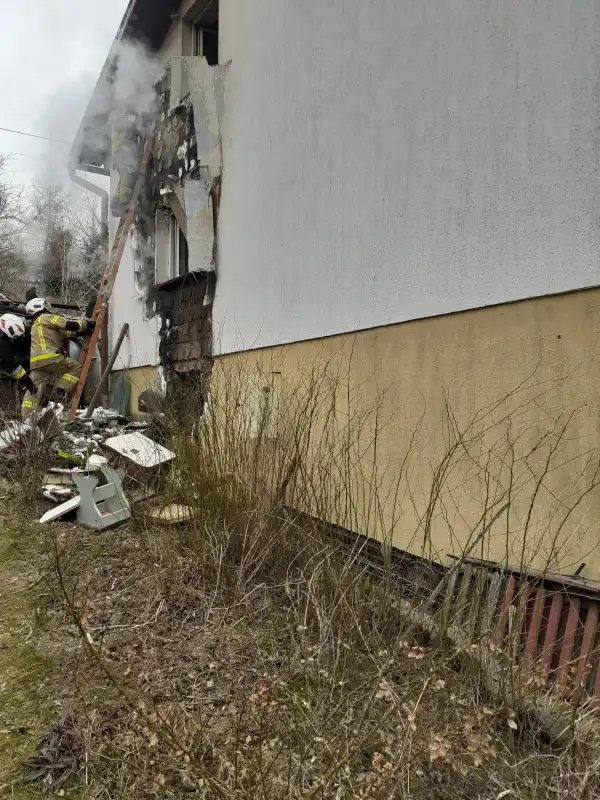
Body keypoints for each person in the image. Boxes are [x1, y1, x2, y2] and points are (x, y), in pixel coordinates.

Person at [21, 298, 94, 418]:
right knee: (76, 367)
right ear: (40, 307)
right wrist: (87, 324)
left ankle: (26, 416)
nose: (48, 307)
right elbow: (68, 324)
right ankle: (59, 393)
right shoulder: (46, 317)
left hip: (36, 363)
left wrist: (78, 333)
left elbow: (63, 333)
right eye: (45, 305)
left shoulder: (36, 324)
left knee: (33, 389)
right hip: (50, 357)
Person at [0, 313, 35, 394]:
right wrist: (28, 382)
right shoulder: (2, 342)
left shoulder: (6, 338)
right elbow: (10, 364)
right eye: (15, 338)